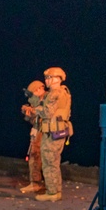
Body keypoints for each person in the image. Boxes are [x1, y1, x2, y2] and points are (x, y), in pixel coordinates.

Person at [29, 67, 72, 202]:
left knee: (49, 161)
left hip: (53, 132)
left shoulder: (55, 94)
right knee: (53, 161)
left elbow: (47, 112)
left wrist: (36, 109)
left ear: (57, 79)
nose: (46, 80)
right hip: (56, 131)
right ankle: (55, 190)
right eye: (46, 78)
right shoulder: (59, 92)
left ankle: (52, 192)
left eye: (49, 78)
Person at [20, 80, 47, 194]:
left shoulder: (48, 99)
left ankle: (38, 183)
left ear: (40, 89)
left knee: (38, 156)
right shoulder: (38, 101)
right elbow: (33, 118)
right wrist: (28, 112)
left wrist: (33, 111)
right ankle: (37, 183)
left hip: (45, 131)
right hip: (39, 130)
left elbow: (45, 113)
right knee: (36, 156)